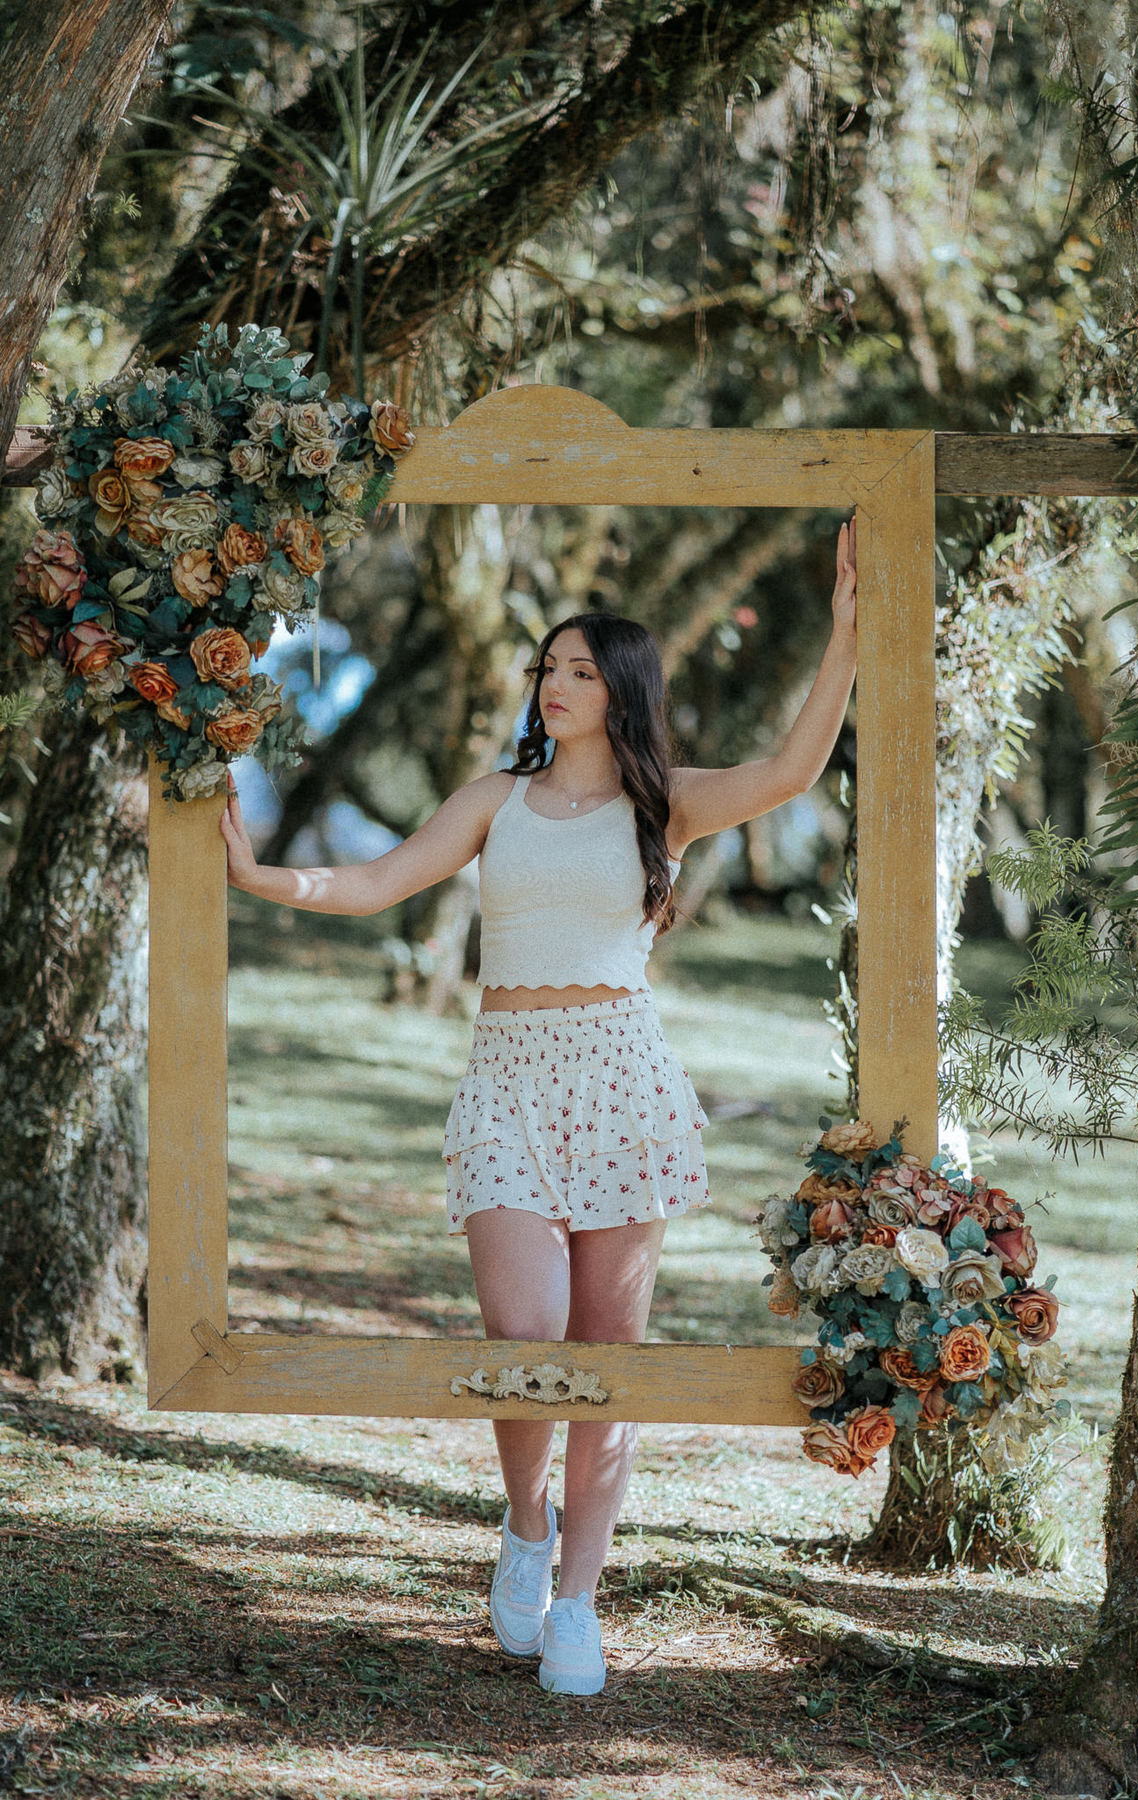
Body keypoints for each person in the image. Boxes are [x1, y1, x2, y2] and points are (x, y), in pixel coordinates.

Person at [220, 515, 858, 1695]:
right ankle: (527, 1524)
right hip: (507, 1079)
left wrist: (849, 633)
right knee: (524, 1340)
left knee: (610, 1359)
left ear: (623, 692)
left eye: (579, 671)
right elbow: (378, 879)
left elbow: (790, 773)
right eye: (547, 667)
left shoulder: (665, 807)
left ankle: (577, 1601)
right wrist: (264, 876)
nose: (554, 685)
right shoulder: (494, 800)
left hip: (623, 1084)